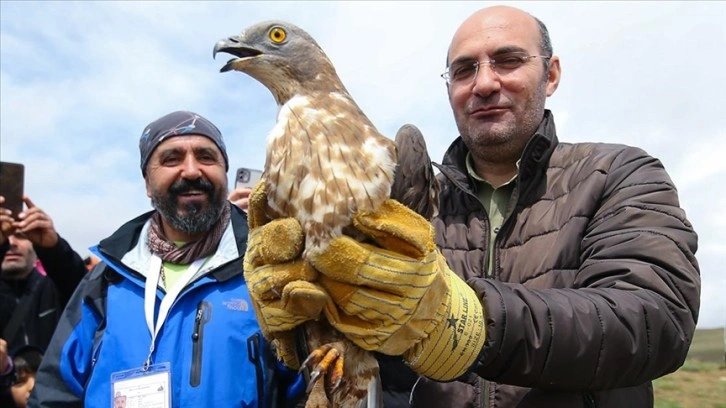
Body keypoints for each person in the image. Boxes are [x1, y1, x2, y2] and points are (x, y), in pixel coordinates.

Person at [242, 5, 700, 408]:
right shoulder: (414, 194)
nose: (484, 83)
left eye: (508, 61)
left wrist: (465, 323)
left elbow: (651, 323)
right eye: (464, 70)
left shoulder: (619, 174)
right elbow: (395, 355)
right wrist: (317, 323)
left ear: (551, 74)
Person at [29, 111, 303, 407]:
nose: (191, 171)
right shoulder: (106, 279)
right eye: (172, 158)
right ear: (148, 182)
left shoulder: (268, 272)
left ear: (225, 173)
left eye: (206, 157)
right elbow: (53, 393)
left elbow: (307, 391)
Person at [0, 196, 86, 354]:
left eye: (20, 236)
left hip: (52, 378)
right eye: (5, 238)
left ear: (36, 247)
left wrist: (54, 248)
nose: (11, 243)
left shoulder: (54, 289)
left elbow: (83, 289)